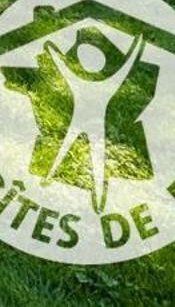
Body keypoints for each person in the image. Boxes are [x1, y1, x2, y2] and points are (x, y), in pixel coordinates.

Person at [42, 26, 147, 212]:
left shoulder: (79, 81)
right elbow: (127, 66)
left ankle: (50, 179)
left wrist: (51, 48)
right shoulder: (105, 84)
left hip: (88, 126)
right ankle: (97, 202)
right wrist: (137, 45)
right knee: (95, 165)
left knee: (66, 155)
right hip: (94, 128)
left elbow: (61, 64)